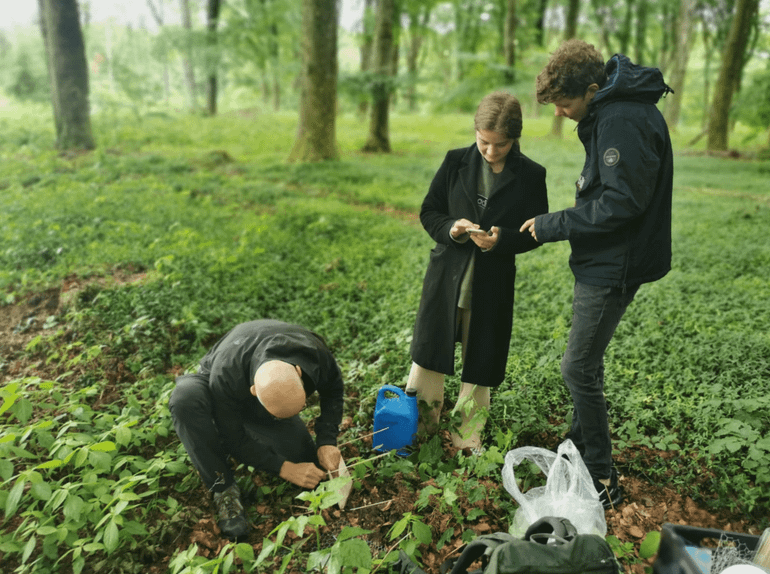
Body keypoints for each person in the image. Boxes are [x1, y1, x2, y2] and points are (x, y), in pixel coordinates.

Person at [520, 39, 673, 509]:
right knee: (587, 361)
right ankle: (578, 449)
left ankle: (601, 476)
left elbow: (623, 203)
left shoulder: (621, 118)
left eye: (565, 104)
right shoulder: (613, 110)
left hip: (615, 262)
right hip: (607, 256)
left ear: (591, 88)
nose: (562, 113)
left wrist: (552, 224)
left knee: (577, 366)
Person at [407, 91, 549, 450]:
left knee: (480, 361)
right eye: (483, 142)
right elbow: (429, 212)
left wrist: (503, 239)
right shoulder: (455, 162)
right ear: (475, 131)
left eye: (499, 145)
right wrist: (452, 228)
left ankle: (466, 438)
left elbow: (535, 232)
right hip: (446, 279)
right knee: (428, 355)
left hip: (492, 285)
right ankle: (421, 429)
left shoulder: (532, 175)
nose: (489, 151)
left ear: (515, 139)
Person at [168, 319, 344, 539]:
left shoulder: (314, 352)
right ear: (254, 392)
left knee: (304, 455)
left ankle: (275, 422)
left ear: (298, 371)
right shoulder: (226, 376)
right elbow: (234, 439)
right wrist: (284, 468)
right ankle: (222, 487)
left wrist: (327, 440)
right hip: (214, 383)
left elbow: (334, 391)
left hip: (260, 389)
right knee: (185, 400)